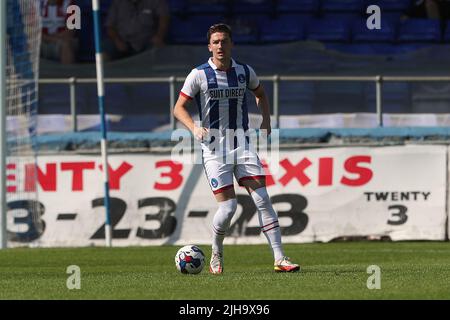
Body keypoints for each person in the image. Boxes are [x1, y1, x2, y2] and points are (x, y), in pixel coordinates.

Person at [172, 23, 300, 274]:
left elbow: (261, 94)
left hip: (242, 144)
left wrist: (266, 120)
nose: (220, 46)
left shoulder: (244, 71)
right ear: (210, 47)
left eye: (225, 41)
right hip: (214, 149)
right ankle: (216, 253)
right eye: (216, 42)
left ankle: (280, 258)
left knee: (263, 199)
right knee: (229, 208)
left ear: (231, 44)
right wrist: (194, 128)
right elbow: (178, 108)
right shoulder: (198, 74)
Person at [104, 0, 170, 61]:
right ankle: (104, 72)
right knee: (105, 47)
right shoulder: (117, 2)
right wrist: (117, 40)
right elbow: (109, 26)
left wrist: (159, 36)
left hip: (147, 42)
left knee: (157, 48)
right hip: (124, 42)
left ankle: (151, 73)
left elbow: (164, 16)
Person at [40, 0, 77, 64]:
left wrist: (54, 39)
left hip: (61, 41)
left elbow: (70, 32)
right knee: (28, 44)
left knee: (66, 44)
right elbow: (31, 31)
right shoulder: (36, 4)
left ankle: (67, 72)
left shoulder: (72, 4)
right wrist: (51, 39)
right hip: (41, 41)